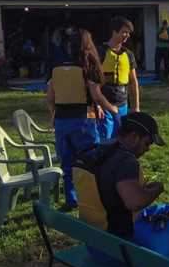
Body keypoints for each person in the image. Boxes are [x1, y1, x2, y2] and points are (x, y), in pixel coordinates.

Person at [45, 29, 117, 209]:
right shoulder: (87, 64)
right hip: (83, 121)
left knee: (67, 163)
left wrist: (53, 116)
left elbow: (50, 97)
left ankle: (71, 199)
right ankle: (94, 197)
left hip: (62, 121)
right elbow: (96, 94)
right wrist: (111, 108)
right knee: (91, 161)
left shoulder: (56, 66)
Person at [75, 112, 165, 239]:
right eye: (147, 143)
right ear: (134, 137)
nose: (148, 149)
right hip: (118, 245)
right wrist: (157, 189)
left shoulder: (93, 151)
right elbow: (134, 202)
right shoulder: (125, 161)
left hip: (92, 238)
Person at [99, 16, 140, 141]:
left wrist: (136, 107)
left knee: (121, 139)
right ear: (114, 32)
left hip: (122, 103)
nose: (127, 35)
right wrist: (97, 105)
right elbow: (91, 82)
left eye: (128, 33)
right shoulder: (100, 51)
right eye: (124, 32)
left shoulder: (128, 54)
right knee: (105, 139)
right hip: (104, 104)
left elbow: (133, 82)